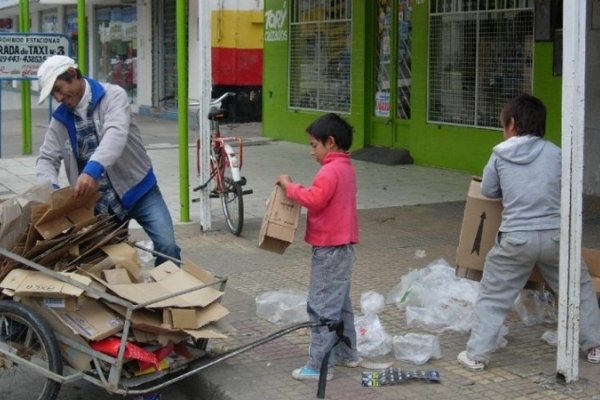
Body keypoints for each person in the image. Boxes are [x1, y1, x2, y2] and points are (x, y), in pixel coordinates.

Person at [457, 94, 600, 370]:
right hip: (555, 236)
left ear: (511, 124)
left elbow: (487, 190)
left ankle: (476, 355)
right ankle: (594, 345)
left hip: (516, 238)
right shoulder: (556, 153)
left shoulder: (500, 154)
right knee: (577, 287)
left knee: (494, 293)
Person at [35, 55, 181, 266]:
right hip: (102, 204)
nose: (58, 98)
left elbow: (116, 134)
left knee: (167, 246)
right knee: (110, 263)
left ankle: (171, 293)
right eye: (53, 94)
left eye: (59, 89)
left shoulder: (113, 96)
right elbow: (47, 158)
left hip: (139, 190)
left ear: (73, 75)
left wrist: (91, 170)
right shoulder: (61, 119)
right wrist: (51, 191)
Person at [277, 113, 360, 381]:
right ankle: (348, 354)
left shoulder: (329, 171)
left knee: (322, 306)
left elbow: (314, 199)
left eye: (314, 145)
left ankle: (319, 365)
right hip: (344, 247)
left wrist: (291, 187)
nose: (311, 151)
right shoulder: (346, 168)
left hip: (330, 249)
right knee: (340, 305)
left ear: (331, 143)